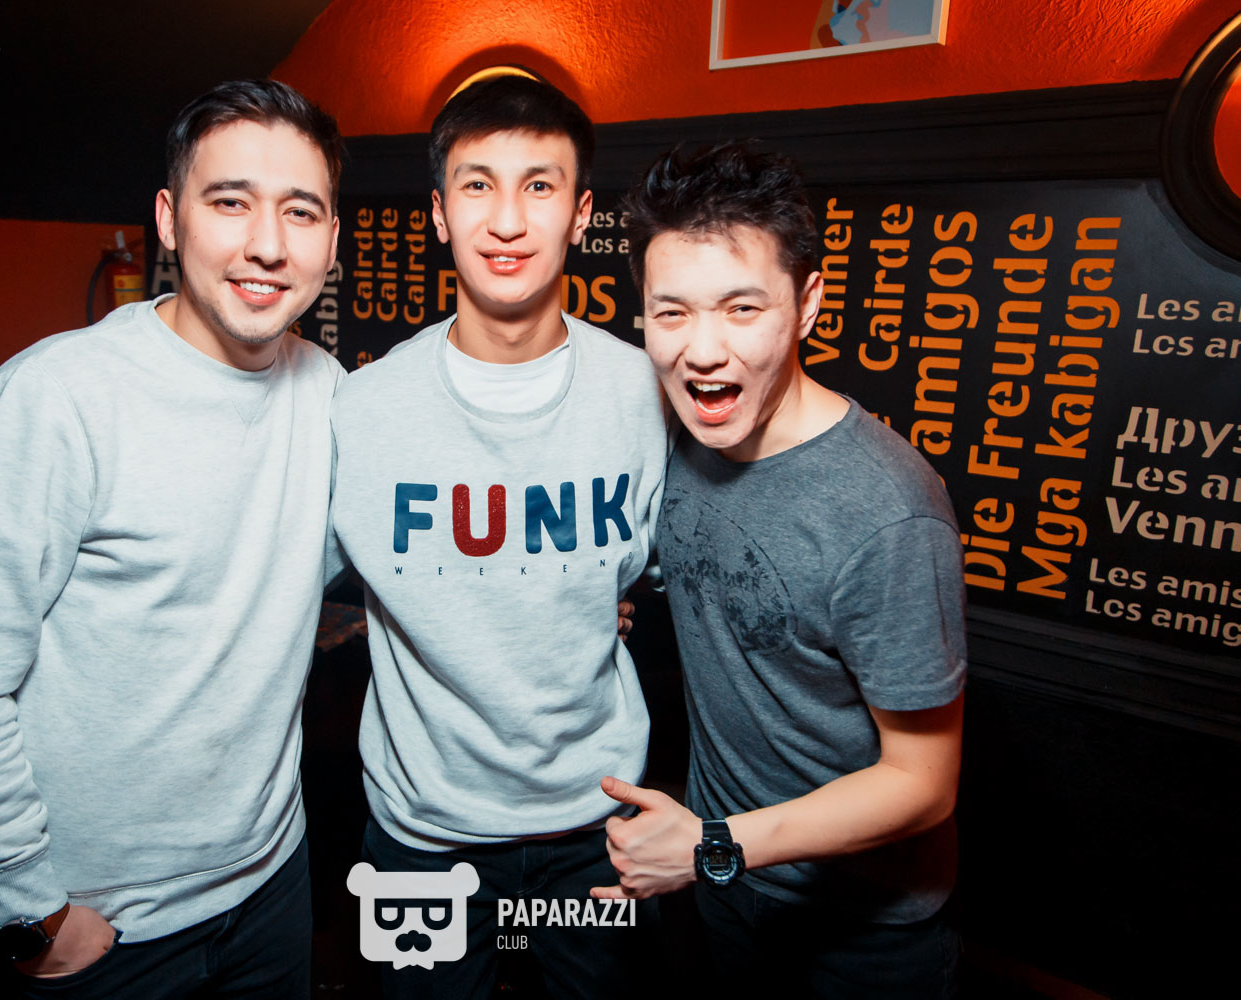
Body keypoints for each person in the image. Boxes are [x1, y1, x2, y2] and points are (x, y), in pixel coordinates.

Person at [0, 79, 345, 998]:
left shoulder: (329, 393)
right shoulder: (59, 399)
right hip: (102, 924)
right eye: (231, 203)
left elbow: (394, 551)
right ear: (169, 221)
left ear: (331, 239)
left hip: (272, 887)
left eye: (300, 211)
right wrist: (29, 911)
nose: (267, 243)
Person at [593, 142, 965, 997]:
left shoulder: (888, 513)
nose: (703, 350)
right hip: (727, 892)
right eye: (672, 313)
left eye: (741, 308)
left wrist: (711, 845)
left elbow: (924, 784)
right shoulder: (680, 436)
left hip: (861, 935)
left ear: (808, 304)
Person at [327, 74, 668, 998]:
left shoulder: (645, 390)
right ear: (439, 213)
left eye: (539, 185)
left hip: (597, 832)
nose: (508, 220)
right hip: (423, 842)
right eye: (477, 185)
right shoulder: (360, 408)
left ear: (580, 213)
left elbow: (661, 566)